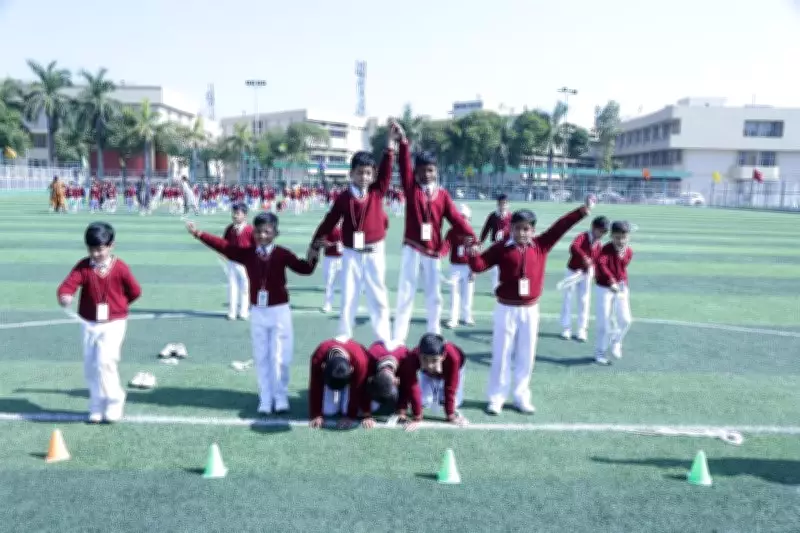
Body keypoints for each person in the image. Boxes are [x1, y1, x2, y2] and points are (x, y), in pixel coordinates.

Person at [468, 195, 596, 415]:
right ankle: (497, 397)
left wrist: (582, 211)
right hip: (505, 308)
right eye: (517, 228)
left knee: (526, 355)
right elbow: (480, 266)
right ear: (511, 228)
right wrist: (471, 255)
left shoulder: (541, 245)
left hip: (530, 309)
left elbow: (560, 227)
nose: (522, 233)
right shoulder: (501, 248)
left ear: (533, 230)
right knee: (502, 353)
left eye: (526, 229)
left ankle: (520, 396)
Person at [186, 213, 319, 415]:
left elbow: (305, 268)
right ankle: (265, 397)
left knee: (281, 357)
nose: (262, 235)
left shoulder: (282, 253)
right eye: (258, 231)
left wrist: (315, 252)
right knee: (262, 356)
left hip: (280, 312)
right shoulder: (247, 254)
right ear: (253, 232)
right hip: (258, 312)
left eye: (267, 231)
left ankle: (280, 396)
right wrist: (199, 234)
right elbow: (224, 247)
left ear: (276, 233)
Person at [309, 122, 396, 344]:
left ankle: (383, 335)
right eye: (360, 173)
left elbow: (386, 172)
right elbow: (329, 221)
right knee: (349, 295)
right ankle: (344, 334)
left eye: (368, 173)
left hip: (375, 251)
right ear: (351, 174)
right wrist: (315, 242)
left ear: (373, 175)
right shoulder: (344, 197)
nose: (364, 177)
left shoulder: (377, 192)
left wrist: (389, 146)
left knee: (378, 295)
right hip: (351, 252)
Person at [392, 123, 475, 344]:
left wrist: (472, 237)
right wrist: (403, 141)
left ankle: (434, 332)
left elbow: (456, 219)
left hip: (433, 252)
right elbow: (403, 166)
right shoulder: (411, 189)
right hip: (412, 247)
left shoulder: (443, 195)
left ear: (436, 171)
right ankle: (399, 337)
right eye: (422, 170)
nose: (427, 174)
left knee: (434, 296)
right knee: (406, 292)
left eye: (431, 170)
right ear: (416, 172)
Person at [57, 222, 142, 423]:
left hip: (114, 323)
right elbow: (69, 284)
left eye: (100, 249)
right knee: (91, 366)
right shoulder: (84, 266)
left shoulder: (120, 268)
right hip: (89, 323)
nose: (95, 254)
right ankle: (96, 403)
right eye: (91, 249)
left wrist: (119, 305)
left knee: (106, 361)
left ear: (111, 246)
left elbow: (135, 291)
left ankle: (114, 400)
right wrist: (65, 295)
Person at [396, 333, 468, 431]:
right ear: (419, 354)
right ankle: (434, 388)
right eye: (424, 359)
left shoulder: (453, 358)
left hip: (452, 370)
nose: (429, 365)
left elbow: (450, 388)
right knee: (424, 401)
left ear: (443, 356)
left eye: (434, 360)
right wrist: (413, 414)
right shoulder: (412, 357)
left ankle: (440, 392)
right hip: (426, 374)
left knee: (453, 402)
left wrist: (450, 414)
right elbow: (410, 385)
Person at [560, 216, 610, 342]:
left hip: (585, 274)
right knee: (568, 299)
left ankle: (582, 329)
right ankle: (566, 328)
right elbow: (573, 247)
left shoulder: (599, 244)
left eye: (605, 232)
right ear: (593, 228)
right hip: (572, 271)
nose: (602, 234)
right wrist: (585, 258)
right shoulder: (583, 236)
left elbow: (598, 261)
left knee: (584, 301)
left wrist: (593, 270)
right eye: (601, 231)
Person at [593, 221, 634, 366]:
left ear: (628, 237)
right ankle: (600, 352)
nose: (621, 241)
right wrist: (611, 282)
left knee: (626, 320)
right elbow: (602, 266)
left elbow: (622, 269)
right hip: (604, 288)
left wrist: (619, 284)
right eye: (617, 237)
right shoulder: (604, 250)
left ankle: (616, 341)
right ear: (611, 236)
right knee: (603, 323)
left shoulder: (629, 252)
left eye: (624, 237)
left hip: (622, 287)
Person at [308, 338, 372, 429]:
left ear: (351, 368)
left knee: (348, 410)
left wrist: (360, 415)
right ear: (324, 366)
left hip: (352, 381)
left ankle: (343, 395)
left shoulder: (360, 361)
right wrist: (316, 414)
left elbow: (360, 387)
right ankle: (338, 395)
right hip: (332, 379)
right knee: (328, 410)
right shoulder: (318, 358)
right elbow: (315, 385)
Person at [441, 203, 475, 329]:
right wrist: (440, 254)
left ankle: (467, 316)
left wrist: (474, 269)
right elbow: (446, 246)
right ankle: (453, 319)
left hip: (468, 267)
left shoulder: (471, 232)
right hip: (455, 267)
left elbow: (475, 251)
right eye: (461, 217)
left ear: (469, 218)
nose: (463, 219)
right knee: (454, 293)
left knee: (468, 293)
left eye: (465, 217)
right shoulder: (451, 232)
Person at [223, 203, 254, 320]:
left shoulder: (250, 230)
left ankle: (243, 311)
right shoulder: (230, 229)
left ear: (245, 215)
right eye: (234, 213)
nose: (235, 216)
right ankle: (232, 312)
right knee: (232, 287)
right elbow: (224, 243)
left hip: (245, 264)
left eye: (238, 213)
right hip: (232, 263)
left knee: (245, 288)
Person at [479, 194, 511, 291]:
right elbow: (486, 229)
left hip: (507, 245)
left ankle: (505, 287)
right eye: (501, 204)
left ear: (507, 204)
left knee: (507, 267)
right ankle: (495, 289)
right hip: (495, 245)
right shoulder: (493, 216)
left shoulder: (511, 216)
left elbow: (513, 229)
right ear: (498, 204)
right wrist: (481, 242)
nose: (503, 206)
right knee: (494, 269)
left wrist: (504, 232)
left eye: (504, 204)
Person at [320, 222, 343, 314]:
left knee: (346, 283)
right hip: (330, 258)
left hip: (343, 258)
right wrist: (329, 244)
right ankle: (328, 304)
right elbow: (321, 241)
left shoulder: (348, 226)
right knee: (329, 282)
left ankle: (346, 305)